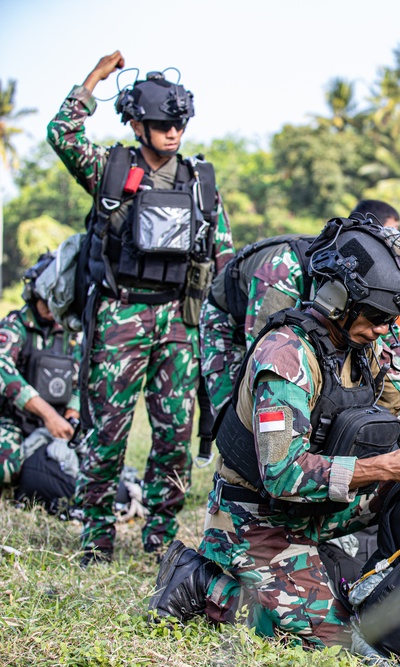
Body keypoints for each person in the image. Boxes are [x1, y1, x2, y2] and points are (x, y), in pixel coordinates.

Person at [149, 216, 400, 649]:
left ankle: (350, 572)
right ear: (339, 299)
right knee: (331, 640)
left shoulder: (362, 346)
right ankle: (203, 581)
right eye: (377, 317)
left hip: (319, 508)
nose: (384, 329)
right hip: (256, 515)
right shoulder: (285, 356)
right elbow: (283, 474)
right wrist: (388, 466)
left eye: (390, 319)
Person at [47, 51, 234, 565]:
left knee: (173, 435)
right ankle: (95, 537)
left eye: (178, 123)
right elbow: (60, 135)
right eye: (160, 124)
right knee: (106, 430)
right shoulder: (112, 169)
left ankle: (160, 538)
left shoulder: (201, 181)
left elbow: (222, 254)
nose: (172, 133)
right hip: (119, 315)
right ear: (135, 123)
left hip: (178, 320)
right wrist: (93, 80)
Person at [200, 200, 400, 416]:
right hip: (229, 327)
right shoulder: (283, 272)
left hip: (299, 319)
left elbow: (391, 363)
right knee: (243, 416)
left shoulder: (373, 287)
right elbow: (264, 354)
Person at [0, 254, 81, 491]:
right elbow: (2, 367)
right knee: (5, 466)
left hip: (61, 425)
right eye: (46, 301)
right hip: (15, 421)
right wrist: (47, 415)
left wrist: (70, 417)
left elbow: (83, 377)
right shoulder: (16, 326)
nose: (51, 308)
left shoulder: (72, 333)